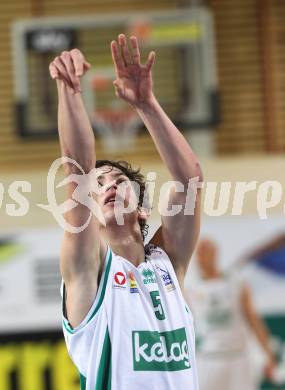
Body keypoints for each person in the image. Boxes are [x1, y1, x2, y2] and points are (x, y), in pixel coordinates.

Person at [49, 34, 202, 389]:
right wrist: (70, 91)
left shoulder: (169, 264)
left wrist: (146, 104)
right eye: (99, 184)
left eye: (118, 180)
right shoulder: (88, 271)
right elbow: (77, 172)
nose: (109, 186)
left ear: (144, 210)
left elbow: (190, 178)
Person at [189, 238, 276, 390]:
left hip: (238, 358)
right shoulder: (192, 288)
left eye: (204, 252)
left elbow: (253, 320)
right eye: (198, 253)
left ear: (214, 254)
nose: (200, 258)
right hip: (208, 358)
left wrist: (268, 354)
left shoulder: (236, 284)